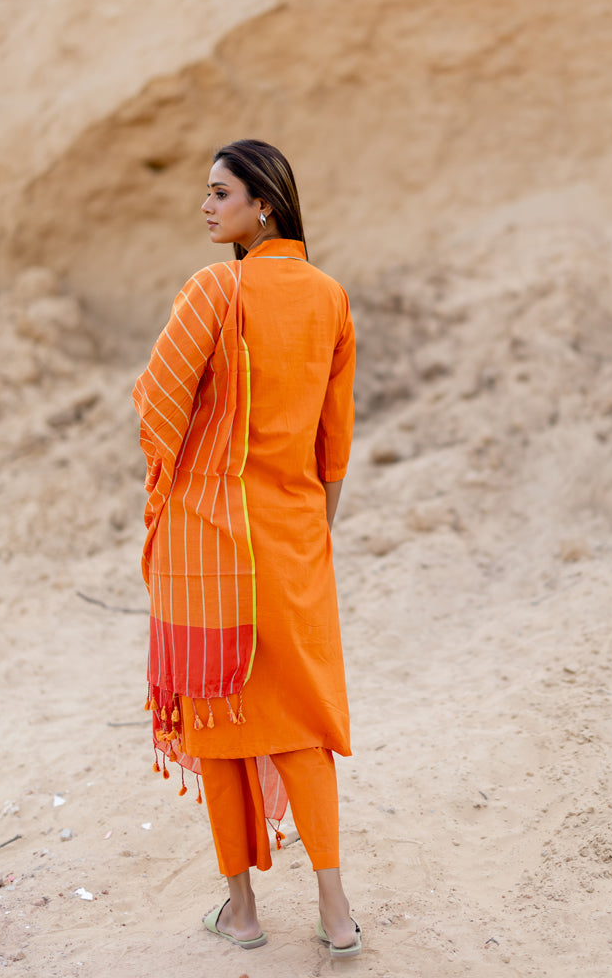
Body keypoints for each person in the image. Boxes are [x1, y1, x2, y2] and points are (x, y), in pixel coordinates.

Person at [132, 139, 360, 958]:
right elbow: (335, 445)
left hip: (210, 546)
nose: (206, 206)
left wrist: (180, 479)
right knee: (301, 720)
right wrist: (310, 527)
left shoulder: (213, 290)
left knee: (219, 719)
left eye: (220, 193)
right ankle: (336, 916)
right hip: (295, 539)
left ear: (264, 204)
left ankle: (244, 914)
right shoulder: (330, 298)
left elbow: (155, 402)